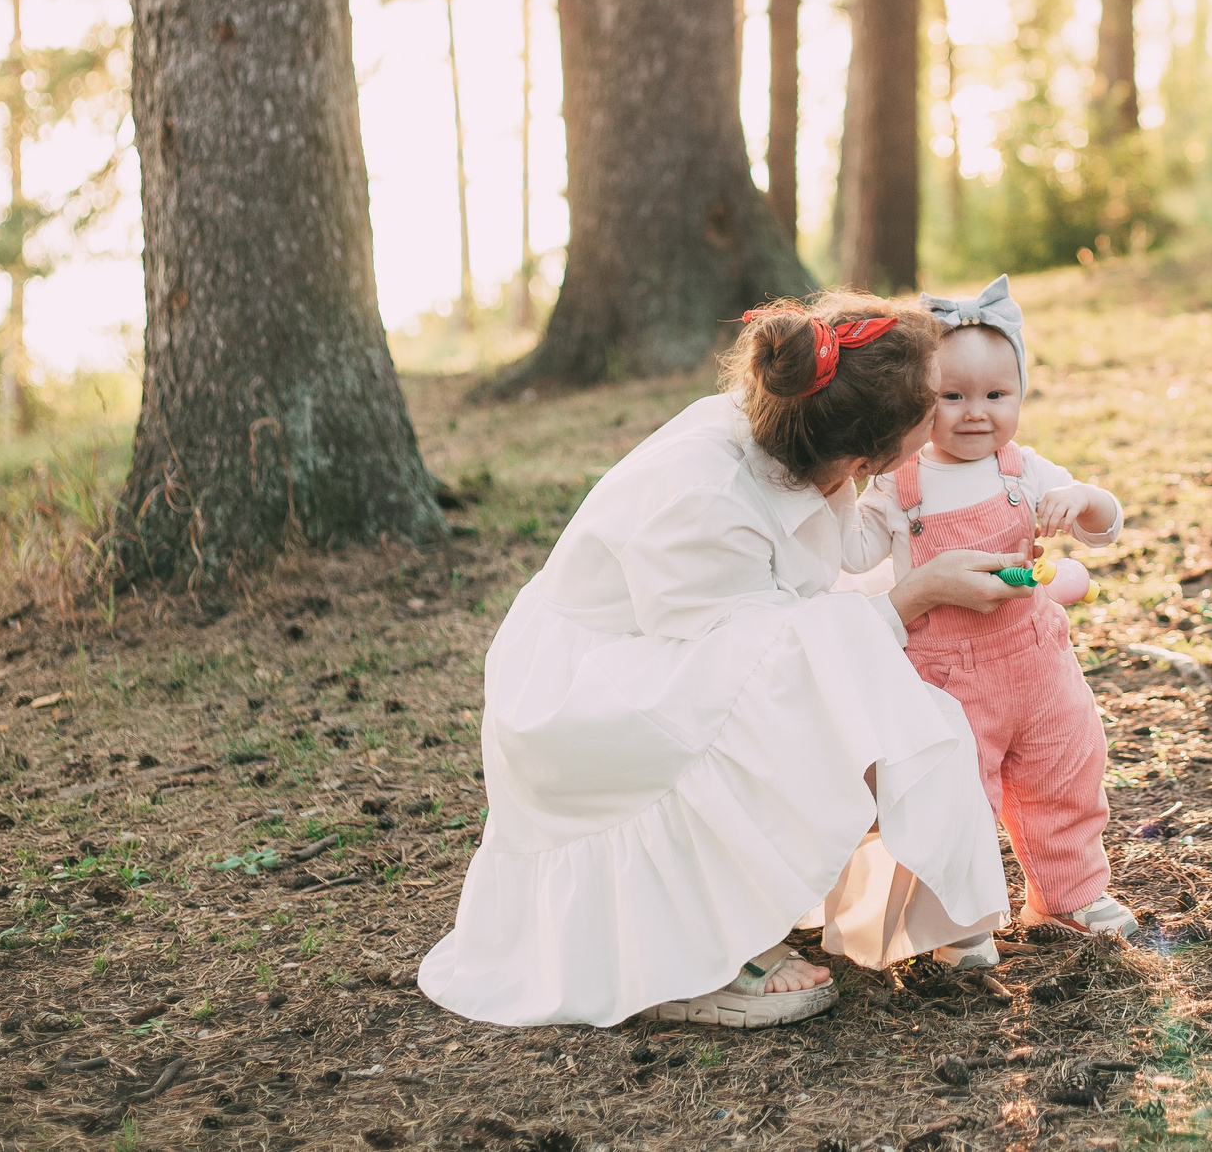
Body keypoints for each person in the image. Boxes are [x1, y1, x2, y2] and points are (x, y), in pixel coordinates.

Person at [417, 295, 1025, 1029]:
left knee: (890, 692)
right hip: (588, 698)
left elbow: (799, 605)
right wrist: (915, 594)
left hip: (688, 651)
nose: (941, 422)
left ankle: (882, 898)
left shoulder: (798, 426)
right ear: (863, 459)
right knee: (836, 675)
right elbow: (755, 668)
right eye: (929, 410)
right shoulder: (706, 496)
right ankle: (695, 951)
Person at [843, 275, 1136, 971]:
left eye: (996, 396)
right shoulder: (898, 483)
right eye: (952, 396)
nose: (976, 413)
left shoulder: (1024, 470)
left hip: (1034, 660)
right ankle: (958, 921)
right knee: (954, 796)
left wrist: (1080, 497)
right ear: (920, 401)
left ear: (1020, 394)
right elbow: (854, 554)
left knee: (1064, 768)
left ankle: (1067, 892)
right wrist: (842, 492)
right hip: (945, 673)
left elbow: (1108, 525)